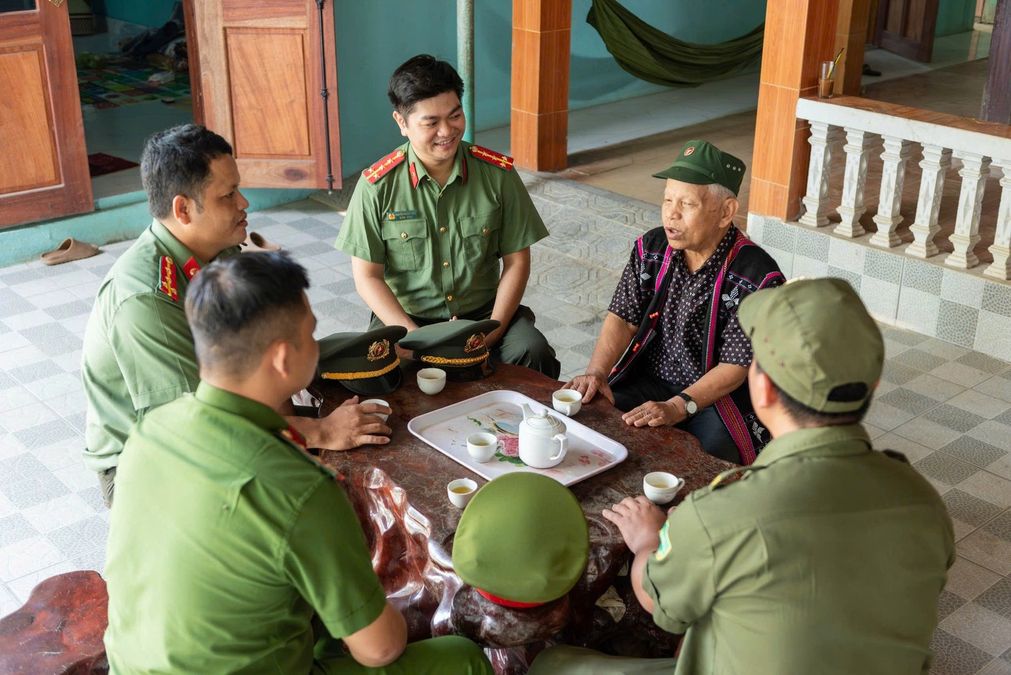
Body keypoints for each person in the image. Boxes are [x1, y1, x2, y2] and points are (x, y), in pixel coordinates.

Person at [532, 278, 955, 675]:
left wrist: (649, 541)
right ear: (874, 384)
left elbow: (658, 601)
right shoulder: (923, 502)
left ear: (764, 389)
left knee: (554, 665)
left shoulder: (726, 513)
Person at [104, 252, 492, 674]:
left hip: (131, 665)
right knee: (462, 657)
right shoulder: (300, 488)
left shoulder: (149, 431)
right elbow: (378, 650)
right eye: (311, 334)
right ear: (283, 358)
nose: (316, 345)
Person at [82, 124, 391, 506]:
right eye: (228, 195)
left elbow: (257, 357)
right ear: (183, 210)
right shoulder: (146, 299)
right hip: (146, 467)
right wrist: (318, 432)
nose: (244, 203)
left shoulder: (219, 251)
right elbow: (197, 428)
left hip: (213, 421)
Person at [335, 54, 560, 378]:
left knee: (531, 351)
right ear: (401, 122)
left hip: (484, 316)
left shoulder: (497, 175)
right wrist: (414, 338)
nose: (447, 131)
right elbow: (367, 277)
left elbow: (517, 262)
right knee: (378, 374)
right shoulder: (377, 186)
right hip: (407, 321)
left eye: (455, 115)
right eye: (431, 122)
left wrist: (492, 333)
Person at [565, 140, 784, 464]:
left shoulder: (758, 276)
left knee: (705, 462)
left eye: (687, 203)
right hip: (649, 379)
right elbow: (623, 318)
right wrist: (597, 373)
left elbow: (734, 368)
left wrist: (677, 407)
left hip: (720, 400)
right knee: (594, 424)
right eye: (667, 199)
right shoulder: (652, 247)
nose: (672, 213)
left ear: (726, 212)